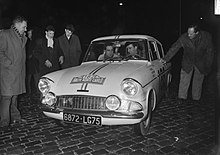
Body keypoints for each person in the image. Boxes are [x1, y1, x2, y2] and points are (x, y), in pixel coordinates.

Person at [162, 23, 214, 102]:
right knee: (184, 81)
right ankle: (181, 99)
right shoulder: (184, 37)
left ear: (197, 33)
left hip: (201, 62)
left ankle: (196, 100)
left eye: (191, 34)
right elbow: (174, 48)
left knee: (197, 83)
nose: (188, 35)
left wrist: (208, 65)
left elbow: (210, 52)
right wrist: (165, 59)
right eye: (188, 33)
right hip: (187, 61)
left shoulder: (206, 37)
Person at [0, 16, 28, 127]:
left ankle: (16, 118)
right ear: (17, 24)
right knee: (7, 97)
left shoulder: (22, 37)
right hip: (8, 73)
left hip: (18, 73)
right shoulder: (5, 34)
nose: (25, 29)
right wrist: (9, 64)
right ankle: (4, 122)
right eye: (24, 27)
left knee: (15, 96)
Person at [26, 28, 40, 96]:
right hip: (28, 64)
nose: (29, 35)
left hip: (35, 64)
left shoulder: (36, 42)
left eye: (30, 33)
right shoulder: (26, 42)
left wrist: (34, 54)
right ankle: (28, 92)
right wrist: (28, 56)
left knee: (36, 78)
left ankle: (38, 91)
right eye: (28, 33)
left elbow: (38, 52)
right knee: (28, 79)